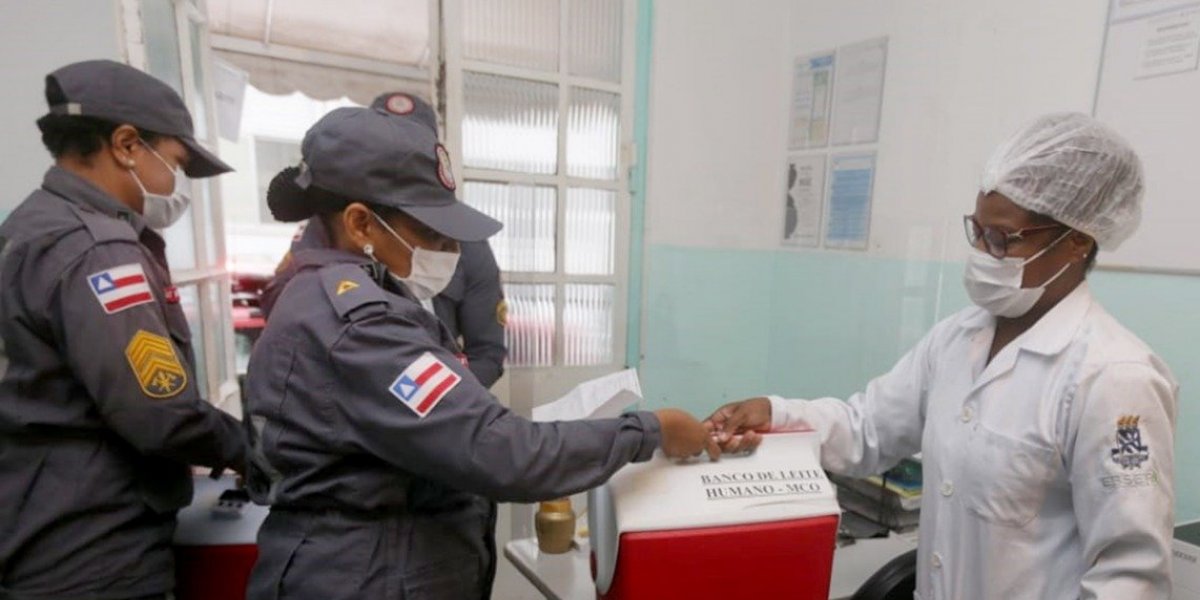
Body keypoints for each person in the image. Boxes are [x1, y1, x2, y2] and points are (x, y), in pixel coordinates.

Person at [243, 105, 717, 599]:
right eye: (431, 232)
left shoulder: (344, 295)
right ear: (361, 224)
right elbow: (501, 454)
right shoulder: (358, 326)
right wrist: (651, 429)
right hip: (362, 575)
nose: (450, 249)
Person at [708, 113, 1177, 599]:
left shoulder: (1115, 378)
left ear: (1076, 240)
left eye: (1002, 239)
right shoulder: (957, 338)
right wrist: (775, 412)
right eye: (977, 231)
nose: (981, 252)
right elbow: (867, 428)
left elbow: (1130, 576)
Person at [0, 60, 247, 600]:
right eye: (178, 163)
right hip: (92, 550)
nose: (178, 184)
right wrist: (248, 448)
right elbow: (160, 413)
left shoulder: (27, 226)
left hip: (32, 518)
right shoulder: (98, 251)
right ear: (127, 145)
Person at [261, 92, 508, 387]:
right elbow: (288, 332)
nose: (445, 247)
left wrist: (447, 403)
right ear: (359, 224)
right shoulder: (320, 246)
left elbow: (487, 352)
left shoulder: (463, 240)